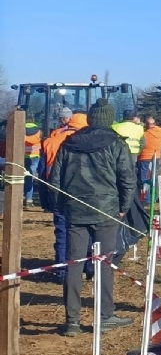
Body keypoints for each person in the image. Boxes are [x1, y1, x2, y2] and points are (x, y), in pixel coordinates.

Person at [49, 99, 136, 337]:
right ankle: (105, 315)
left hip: (76, 210)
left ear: (90, 118)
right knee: (104, 264)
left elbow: (54, 180)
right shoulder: (117, 144)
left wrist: (61, 207)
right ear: (109, 119)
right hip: (105, 210)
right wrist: (123, 208)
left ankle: (72, 320)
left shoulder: (69, 143)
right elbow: (128, 179)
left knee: (74, 264)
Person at [40, 112, 90, 281]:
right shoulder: (90, 144)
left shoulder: (51, 141)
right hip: (84, 195)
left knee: (62, 233)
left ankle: (62, 272)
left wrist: (45, 200)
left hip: (58, 193)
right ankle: (87, 268)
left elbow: (42, 174)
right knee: (87, 230)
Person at [138, 115, 161, 203]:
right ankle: (155, 197)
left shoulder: (143, 132)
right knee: (154, 177)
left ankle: (146, 198)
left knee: (144, 178)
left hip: (145, 157)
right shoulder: (160, 131)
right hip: (157, 156)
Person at [23, 120, 42, 208]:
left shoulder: (21, 129)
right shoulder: (39, 131)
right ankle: (29, 200)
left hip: (22, 156)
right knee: (29, 177)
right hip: (35, 156)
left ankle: (20, 197)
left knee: (18, 178)